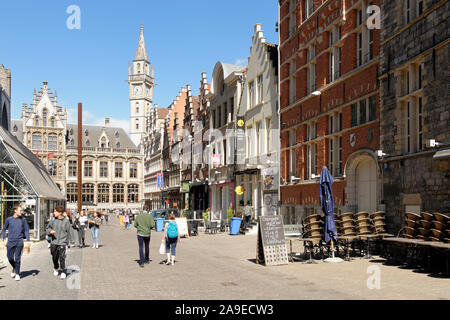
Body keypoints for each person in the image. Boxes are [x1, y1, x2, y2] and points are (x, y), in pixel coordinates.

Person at [1, 205, 31, 281]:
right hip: (10, 242)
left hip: (19, 241)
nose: (22, 212)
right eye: (20, 210)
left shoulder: (23, 220)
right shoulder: (9, 219)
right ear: (15, 211)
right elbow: (4, 229)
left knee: (17, 258)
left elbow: (27, 230)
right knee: (10, 258)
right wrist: (4, 239)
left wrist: (28, 240)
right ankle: (14, 268)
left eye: (22, 210)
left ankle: (17, 274)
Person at [46, 206, 71, 279]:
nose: (54, 213)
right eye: (54, 211)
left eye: (55, 211)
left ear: (60, 213)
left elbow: (69, 232)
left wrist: (69, 242)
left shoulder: (66, 221)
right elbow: (48, 227)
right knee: (54, 257)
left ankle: (63, 271)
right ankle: (56, 267)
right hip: (54, 241)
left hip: (62, 242)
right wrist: (50, 231)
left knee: (62, 257)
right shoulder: (53, 220)